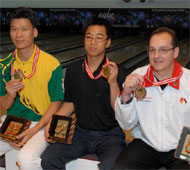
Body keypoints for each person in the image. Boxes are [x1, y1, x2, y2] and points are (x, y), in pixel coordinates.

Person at [41, 18, 127, 170]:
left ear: (108, 42)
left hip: (110, 136)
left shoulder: (118, 71)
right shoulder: (73, 69)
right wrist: (53, 122)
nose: (93, 42)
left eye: (99, 38)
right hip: (80, 133)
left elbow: (121, 110)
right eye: (89, 37)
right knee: (49, 159)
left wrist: (113, 83)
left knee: (112, 166)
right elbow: (70, 102)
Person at [111, 27, 190, 169]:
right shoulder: (137, 77)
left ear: (176, 52)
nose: (156, 55)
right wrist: (126, 95)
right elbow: (126, 124)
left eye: (163, 50)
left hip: (180, 149)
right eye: (152, 50)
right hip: (146, 144)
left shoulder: (188, 80)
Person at [0, 7, 64, 170]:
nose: (18, 34)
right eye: (14, 29)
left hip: (41, 124)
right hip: (11, 123)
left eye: (24, 29)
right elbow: (3, 106)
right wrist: (10, 95)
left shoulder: (51, 64)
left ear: (34, 32)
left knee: (26, 160)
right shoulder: (3, 66)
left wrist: (34, 130)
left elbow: (56, 103)